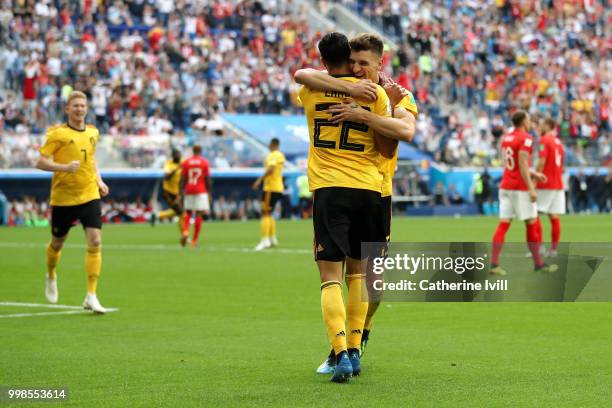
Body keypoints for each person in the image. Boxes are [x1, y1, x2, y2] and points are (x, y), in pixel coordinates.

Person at [295, 32, 412, 383]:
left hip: (331, 190)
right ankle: (353, 350)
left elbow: (302, 75)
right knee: (360, 276)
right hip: (368, 190)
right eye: (355, 62)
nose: (358, 68)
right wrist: (373, 104)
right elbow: (388, 149)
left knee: (332, 278)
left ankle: (342, 350)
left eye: (365, 63)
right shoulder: (376, 94)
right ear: (348, 59)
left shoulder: (311, 91)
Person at [35, 90, 109, 314]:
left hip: (89, 194)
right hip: (63, 197)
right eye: (75, 106)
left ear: (87, 108)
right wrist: (64, 168)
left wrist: (99, 180)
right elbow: (40, 162)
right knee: (57, 243)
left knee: (95, 241)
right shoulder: (57, 134)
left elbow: (92, 158)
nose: (79, 109)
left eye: (82, 106)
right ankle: (50, 274)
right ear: (67, 109)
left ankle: (91, 295)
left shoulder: (93, 132)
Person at [489, 111, 557, 276]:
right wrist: (531, 187)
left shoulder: (506, 138)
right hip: (519, 188)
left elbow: (513, 165)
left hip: (505, 186)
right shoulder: (526, 138)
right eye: (528, 120)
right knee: (531, 223)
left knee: (503, 224)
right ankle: (539, 264)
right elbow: (521, 164)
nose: (531, 123)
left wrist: (534, 173)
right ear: (523, 121)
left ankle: (494, 264)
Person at [535, 118, 565, 256]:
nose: (540, 127)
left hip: (545, 182)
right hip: (558, 183)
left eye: (541, 124)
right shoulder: (558, 142)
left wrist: (534, 180)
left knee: (534, 215)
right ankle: (553, 250)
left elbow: (541, 162)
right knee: (554, 216)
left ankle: (539, 247)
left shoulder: (544, 140)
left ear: (548, 125)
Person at [252, 138, 285, 250]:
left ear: (272, 144)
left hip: (271, 188)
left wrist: (259, 180)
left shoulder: (273, 155)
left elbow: (271, 169)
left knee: (265, 213)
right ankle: (272, 238)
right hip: (278, 187)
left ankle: (264, 240)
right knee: (269, 213)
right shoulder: (280, 155)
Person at [180, 145, 211, 248]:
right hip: (201, 190)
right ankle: (194, 240)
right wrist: (209, 192)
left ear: (192, 151)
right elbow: (207, 179)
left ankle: (185, 231)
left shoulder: (186, 162)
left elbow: (183, 179)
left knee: (188, 212)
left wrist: (181, 192)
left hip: (189, 189)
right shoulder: (204, 162)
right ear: (200, 151)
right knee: (198, 214)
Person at [151, 149, 183, 232]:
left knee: (179, 211)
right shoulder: (168, 164)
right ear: (173, 157)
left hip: (178, 192)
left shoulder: (183, 161)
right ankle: (184, 234)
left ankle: (158, 215)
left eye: (179, 155)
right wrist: (176, 169)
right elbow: (166, 177)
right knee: (180, 212)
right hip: (168, 192)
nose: (179, 157)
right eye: (177, 155)